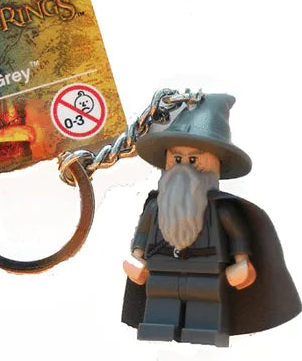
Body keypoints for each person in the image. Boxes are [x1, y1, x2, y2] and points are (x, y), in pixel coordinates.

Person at [121, 93, 301, 347]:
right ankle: (158, 328)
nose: (184, 167)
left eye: (194, 160)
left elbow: (237, 235)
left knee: (204, 308)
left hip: (206, 272)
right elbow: (143, 232)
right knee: (160, 305)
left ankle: (203, 332)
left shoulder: (222, 209)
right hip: (161, 270)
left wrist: (242, 262)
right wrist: (137, 257)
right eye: (177, 159)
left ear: (216, 163)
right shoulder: (155, 206)